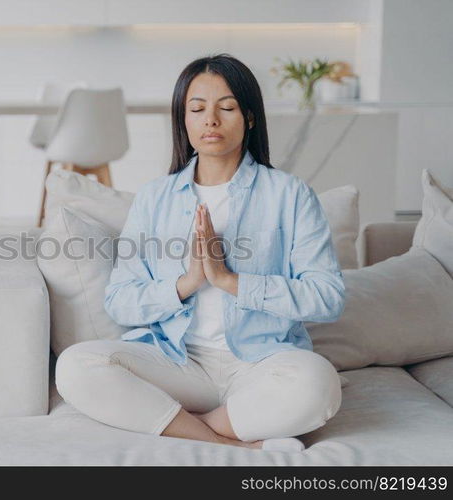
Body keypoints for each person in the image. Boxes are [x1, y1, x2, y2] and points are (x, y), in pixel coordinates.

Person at [55, 53, 346, 453]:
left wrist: (230, 281)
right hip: (178, 363)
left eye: (226, 108)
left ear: (249, 117)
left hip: (259, 362)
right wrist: (188, 282)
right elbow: (120, 302)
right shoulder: (154, 198)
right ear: (184, 120)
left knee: (319, 385)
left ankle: (182, 426)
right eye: (197, 109)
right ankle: (238, 444)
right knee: (76, 366)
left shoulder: (290, 195)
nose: (211, 119)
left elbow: (327, 298)